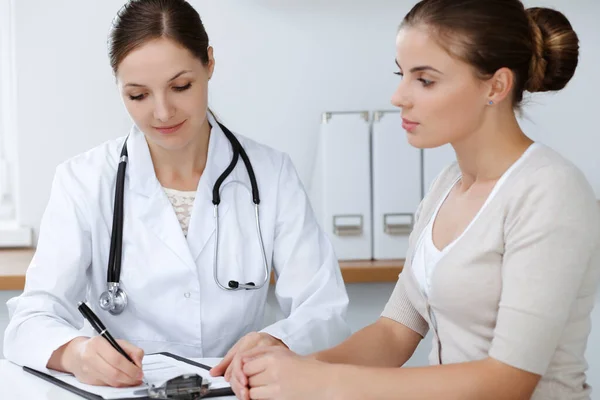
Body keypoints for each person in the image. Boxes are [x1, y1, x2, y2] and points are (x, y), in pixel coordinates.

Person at [232, 1, 600, 399]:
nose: (398, 96)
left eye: (424, 80)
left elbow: (507, 381)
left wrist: (321, 382)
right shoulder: (446, 186)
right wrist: (295, 363)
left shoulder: (549, 192)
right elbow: (394, 332)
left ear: (495, 86)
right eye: (401, 73)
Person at [3, 0, 351, 388]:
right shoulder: (84, 181)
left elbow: (323, 308)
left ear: (210, 64)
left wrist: (276, 339)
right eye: (138, 95)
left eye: (181, 86)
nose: (163, 112)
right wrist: (76, 352)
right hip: (125, 393)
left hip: (234, 390)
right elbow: (30, 320)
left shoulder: (271, 175)